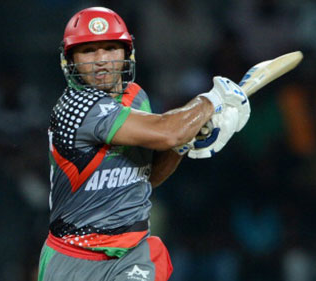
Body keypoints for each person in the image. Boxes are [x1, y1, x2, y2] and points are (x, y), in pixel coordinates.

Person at [37, 7, 251, 281]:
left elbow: (147, 178)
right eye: (89, 51)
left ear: (127, 53)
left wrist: (184, 145)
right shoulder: (75, 108)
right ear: (71, 60)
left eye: (111, 48)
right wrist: (211, 100)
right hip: (74, 259)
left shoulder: (137, 98)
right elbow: (168, 131)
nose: (101, 60)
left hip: (133, 253)